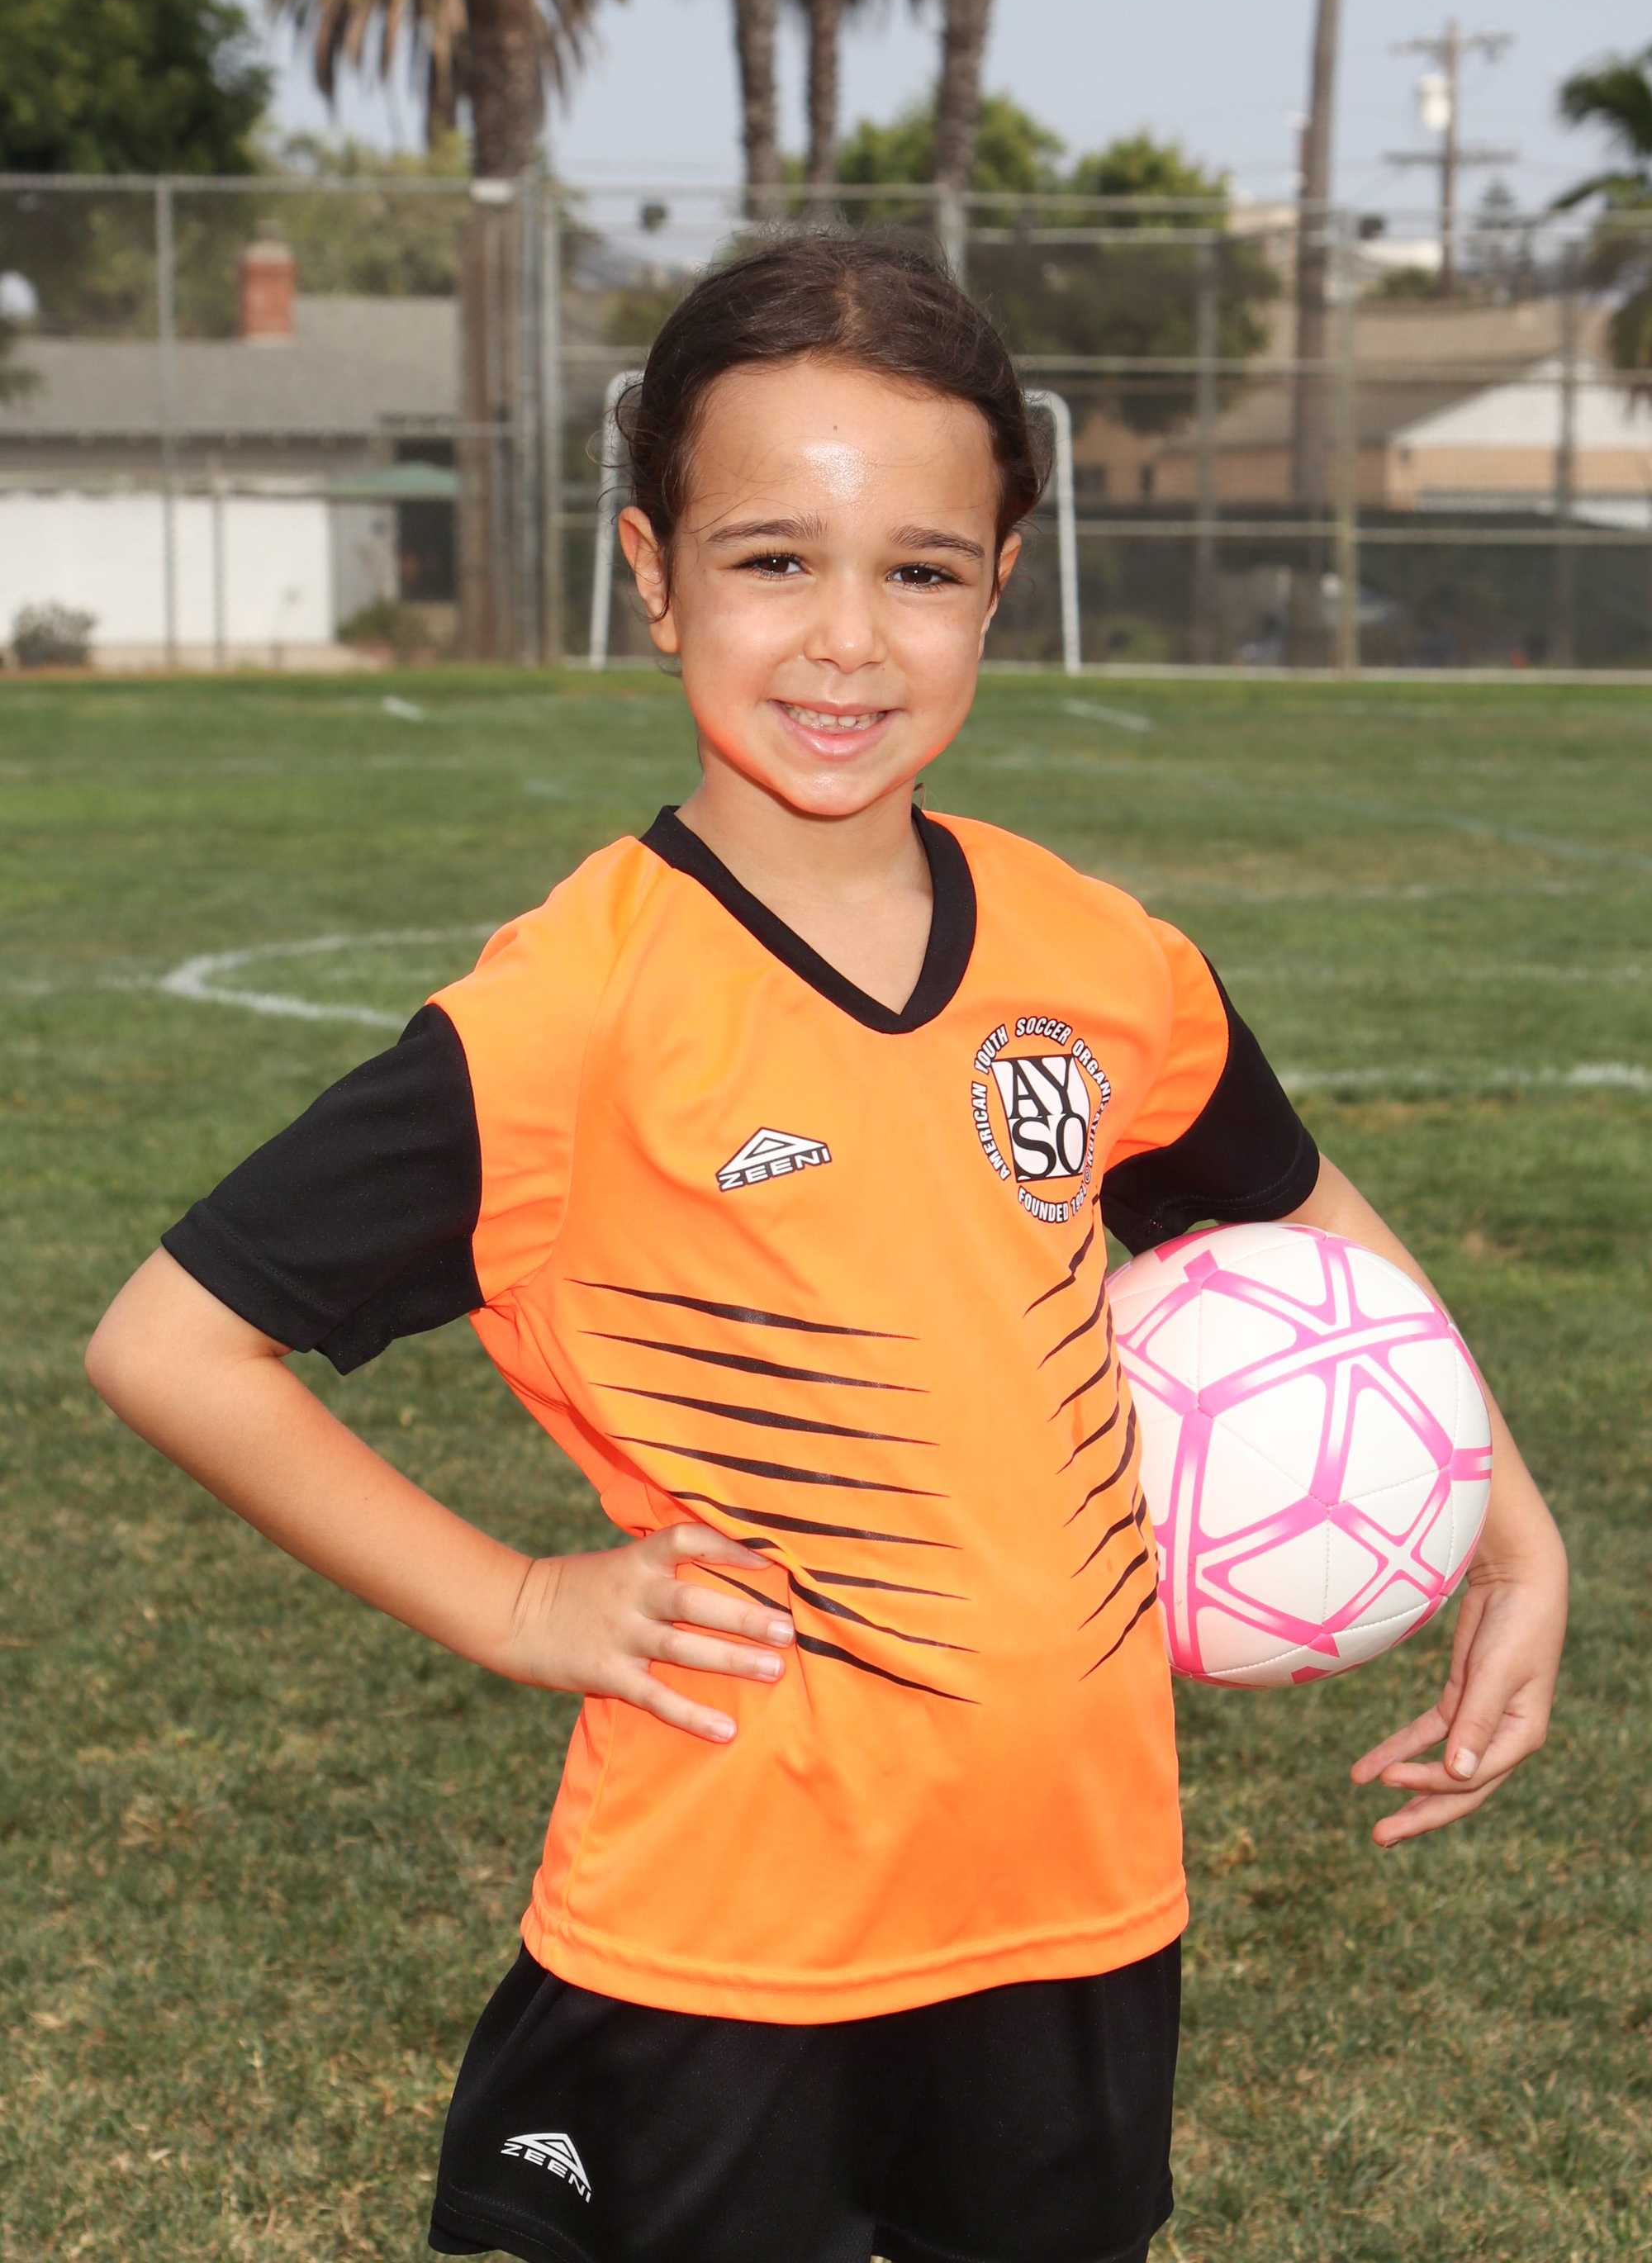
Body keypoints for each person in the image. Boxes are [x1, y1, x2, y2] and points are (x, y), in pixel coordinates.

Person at [86, 230, 1568, 2263]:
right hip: (727, 1930)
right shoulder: (573, 1014)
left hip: (1077, 1903)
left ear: (1002, 582)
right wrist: (517, 1602)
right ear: (651, 571)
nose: (847, 641)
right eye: (774, 558)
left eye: (921, 570)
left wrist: (1510, 1525)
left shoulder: (1097, 958)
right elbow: (171, 1342)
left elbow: (1298, 1215)